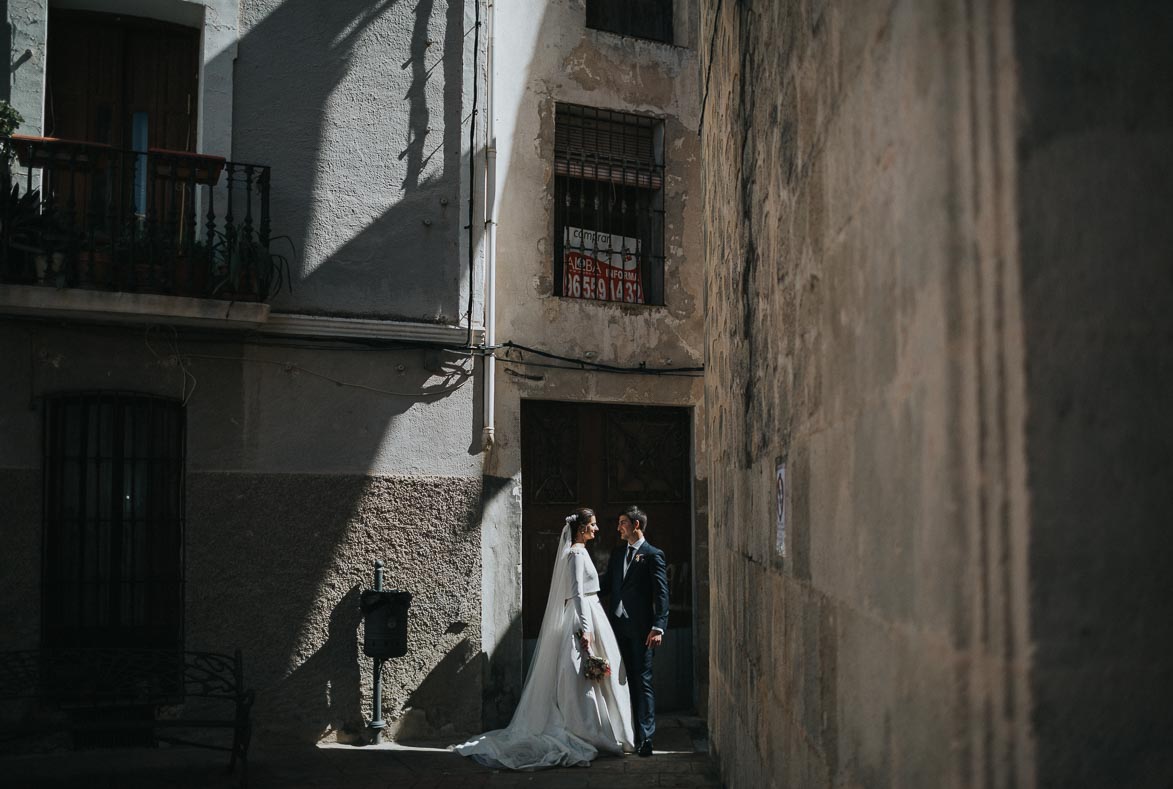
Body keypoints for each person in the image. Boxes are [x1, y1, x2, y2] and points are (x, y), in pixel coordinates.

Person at [454, 508, 635, 769]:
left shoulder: (582, 552)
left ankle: (605, 731)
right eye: (593, 525)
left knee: (593, 676)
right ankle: (586, 730)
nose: (597, 529)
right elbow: (577, 595)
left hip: (593, 614)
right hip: (584, 617)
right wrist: (586, 630)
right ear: (582, 528)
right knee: (581, 676)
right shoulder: (574, 554)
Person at [600, 506, 669, 757]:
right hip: (616, 627)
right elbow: (606, 585)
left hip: (642, 631)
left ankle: (646, 738)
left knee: (642, 681)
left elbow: (662, 594)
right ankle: (625, 733)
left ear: (636, 525)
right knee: (620, 680)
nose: (618, 528)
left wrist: (658, 626)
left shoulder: (653, 555)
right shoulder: (618, 554)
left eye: (623, 523)